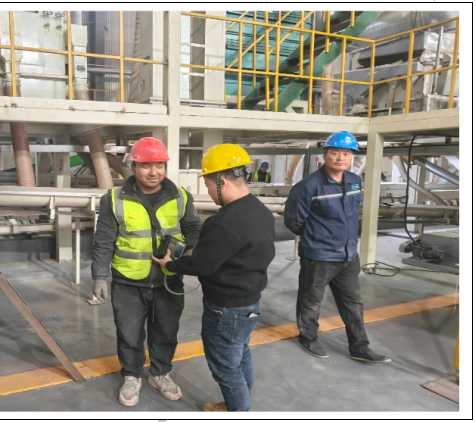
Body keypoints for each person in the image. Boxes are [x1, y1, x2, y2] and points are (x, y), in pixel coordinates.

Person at [152, 144, 276, 412]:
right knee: (240, 354)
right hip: (250, 302)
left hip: (226, 308)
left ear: (222, 182)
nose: (208, 191)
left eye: (208, 184)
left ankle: (237, 412)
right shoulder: (260, 211)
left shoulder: (222, 222)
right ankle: (235, 405)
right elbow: (238, 251)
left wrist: (171, 264)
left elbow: (203, 265)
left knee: (225, 367)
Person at [91, 137, 203, 407]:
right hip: (128, 281)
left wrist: (189, 252)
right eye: (146, 166)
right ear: (133, 167)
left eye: (159, 165)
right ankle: (132, 375)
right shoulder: (113, 199)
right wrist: (99, 276)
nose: (154, 172)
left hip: (169, 279)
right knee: (128, 333)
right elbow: (104, 240)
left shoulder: (181, 196)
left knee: (166, 330)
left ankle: (160, 373)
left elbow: (194, 229)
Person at [284, 131, 391, 363]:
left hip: (348, 255)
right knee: (311, 301)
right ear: (324, 155)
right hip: (319, 256)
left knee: (353, 303)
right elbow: (294, 221)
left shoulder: (354, 181)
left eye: (346, 154)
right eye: (335, 153)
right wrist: (317, 237)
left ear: (351, 157)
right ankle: (308, 337)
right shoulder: (307, 186)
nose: (341, 158)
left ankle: (360, 347)